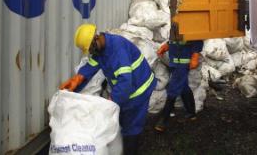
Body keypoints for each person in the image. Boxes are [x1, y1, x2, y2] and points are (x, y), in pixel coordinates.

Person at [59, 23, 157, 155]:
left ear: (97, 38)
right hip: (129, 89)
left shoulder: (117, 50)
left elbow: (125, 82)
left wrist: (111, 101)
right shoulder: (101, 49)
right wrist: (78, 79)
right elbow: (92, 65)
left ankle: (131, 149)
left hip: (139, 91)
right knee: (123, 121)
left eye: (91, 48)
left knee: (132, 127)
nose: (91, 52)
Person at [154, 40, 204, 132]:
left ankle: (163, 120)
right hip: (174, 63)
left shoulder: (189, 26)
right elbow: (174, 39)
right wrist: (167, 45)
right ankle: (191, 113)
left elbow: (197, 38)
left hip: (182, 64)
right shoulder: (175, 26)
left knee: (173, 90)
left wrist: (196, 54)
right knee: (184, 88)